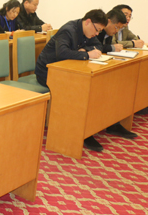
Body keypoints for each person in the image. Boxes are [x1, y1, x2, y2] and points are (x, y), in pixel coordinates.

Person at [35, 9, 136, 151]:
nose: (97, 34)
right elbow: (62, 53)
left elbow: (98, 46)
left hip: (69, 71)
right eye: (97, 30)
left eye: (100, 31)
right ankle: (80, 133)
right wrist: (86, 54)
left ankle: (98, 127)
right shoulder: (68, 30)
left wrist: (83, 50)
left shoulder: (88, 31)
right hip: (48, 72)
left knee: (98, 87)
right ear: (88, 22)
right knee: (83, 91)